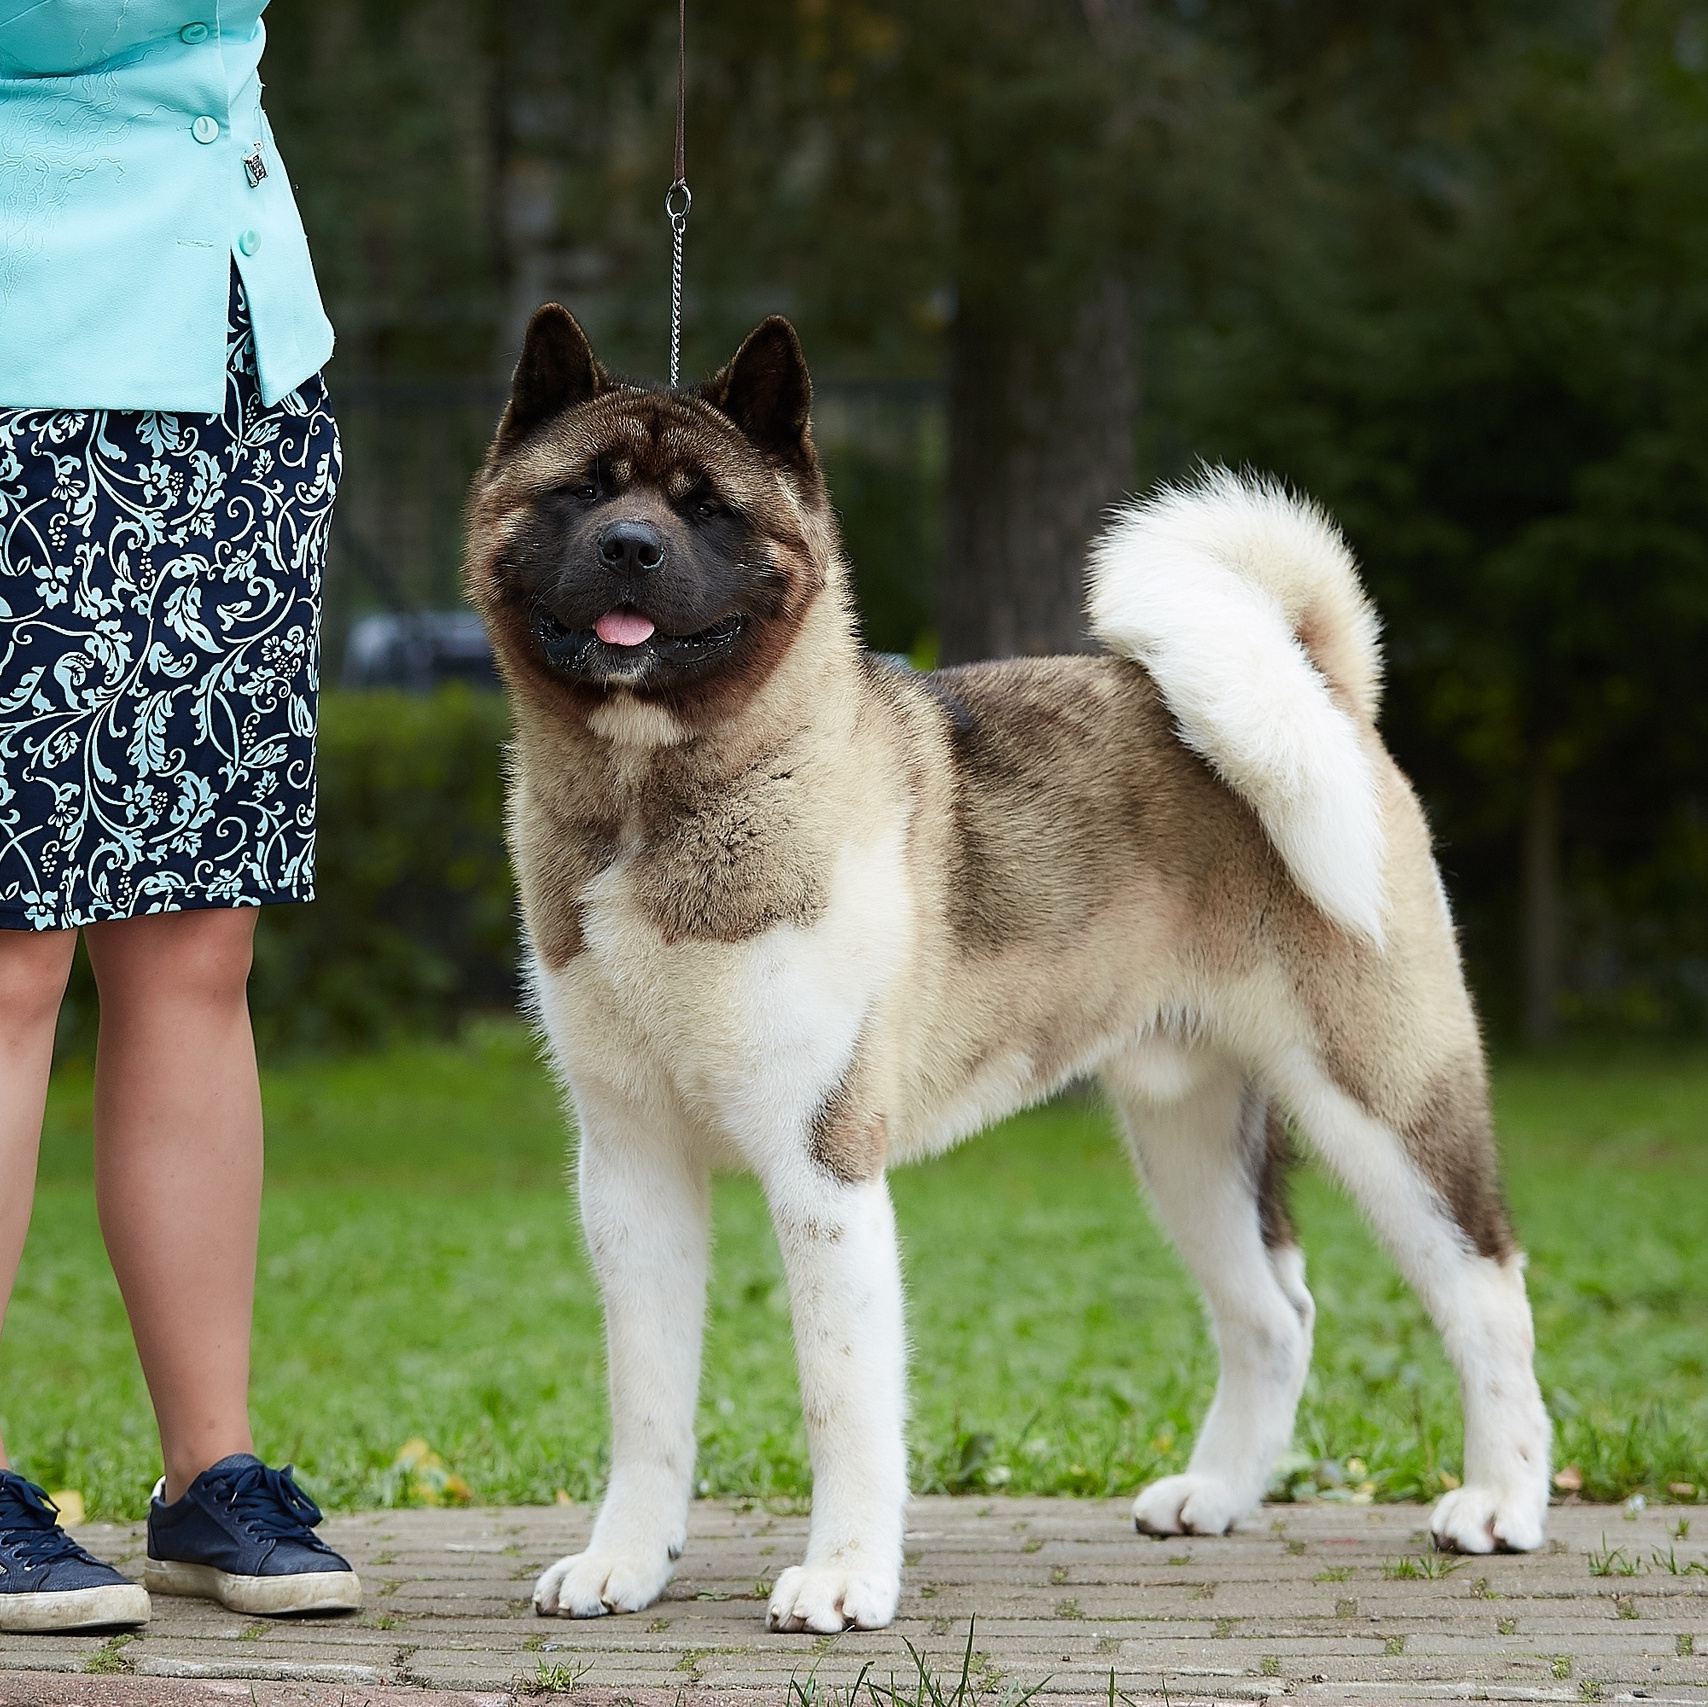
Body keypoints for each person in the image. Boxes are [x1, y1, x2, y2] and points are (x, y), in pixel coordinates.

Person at [0, 0, 360, 1630]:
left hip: (235, 358)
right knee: (12, 950)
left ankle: (211, 1480)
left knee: (197, 936)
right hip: (29, 358)